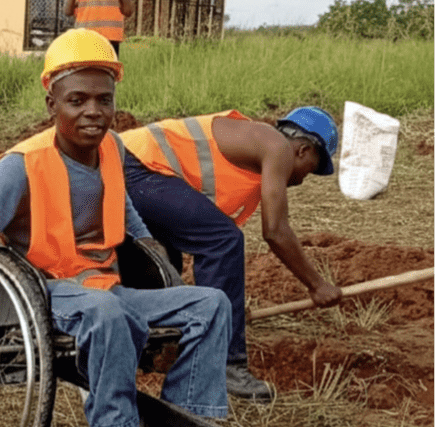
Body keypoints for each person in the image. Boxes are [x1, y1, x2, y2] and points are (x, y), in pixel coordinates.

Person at [0, 29, 232, 427]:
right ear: (52, 104)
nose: (93, 112)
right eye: (77, 100)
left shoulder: (111, 149)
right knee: (105, 312)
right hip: (46, 293)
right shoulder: (20, 166)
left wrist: (159, 272)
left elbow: (127, 217)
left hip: (107, 290)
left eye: (103, 100)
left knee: (211, 304)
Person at [121, 108, 342, 400]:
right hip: (137, 168)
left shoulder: (251, 146)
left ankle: (150, 346)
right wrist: (317, 285)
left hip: (123, 165)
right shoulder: (276, 146)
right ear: (303, 149)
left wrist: (229, 311)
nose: (302, 180)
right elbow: (275, 231)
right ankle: (225, 364)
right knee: (223, 241)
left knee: (168, 262)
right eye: (312, 169)